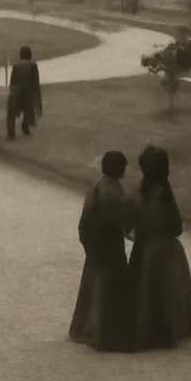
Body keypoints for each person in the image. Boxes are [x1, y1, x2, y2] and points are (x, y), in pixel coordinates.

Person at [127, 146, 191, 350]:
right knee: (165, 289)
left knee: (145, 288)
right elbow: (177, 228)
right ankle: (165, 329)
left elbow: (128, 225)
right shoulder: (165, 196)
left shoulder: (138, 193)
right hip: (165, 249)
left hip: (144, 248)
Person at [69, 150, 134, 352]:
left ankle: (86, 327)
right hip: (111, 246)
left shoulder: (97, 186)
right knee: (109, 287)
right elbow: (121, 220)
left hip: (96, 245)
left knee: (93, 286)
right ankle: (106, 332)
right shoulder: (115, 192)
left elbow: (86, 220)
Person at [7, 46, 43, 139]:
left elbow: (12, 81)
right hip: (27, 93)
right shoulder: (33, 65)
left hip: (16, 91)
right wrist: (38, 101)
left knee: (11, 114)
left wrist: (12, 93)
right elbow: (36, 83)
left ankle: (11, 133)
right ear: (30, 55)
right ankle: (25, 127)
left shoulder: (16, 65)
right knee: (28, 111)